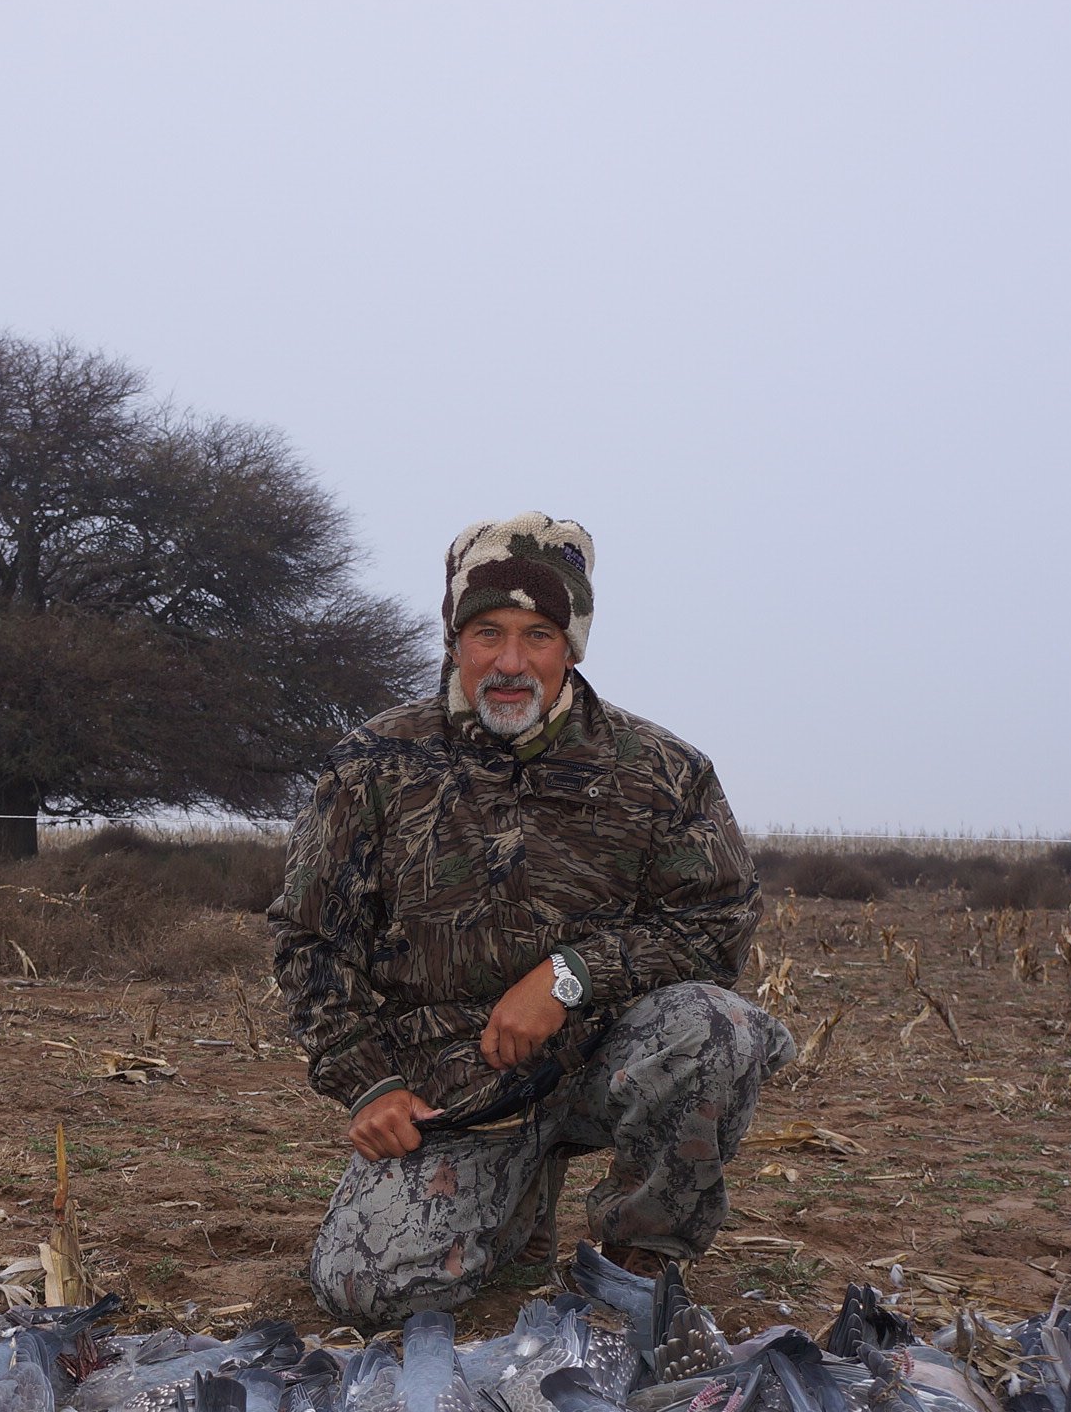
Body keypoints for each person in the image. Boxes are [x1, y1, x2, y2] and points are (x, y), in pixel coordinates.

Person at [270, 510, 794, 1327]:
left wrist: (568, 976)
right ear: (453, 640)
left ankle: (633, 1265)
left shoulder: (662, 772)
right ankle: (517, 1208)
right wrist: (367, 1080)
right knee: (370, 1296)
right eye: (487, 632)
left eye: (539, 635)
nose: (511, 663)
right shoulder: (372, 764)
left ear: (572, 646)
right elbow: (309, 940)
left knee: (715, 1028)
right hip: (453, 1090)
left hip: (599, 1058)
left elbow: (718, 926)